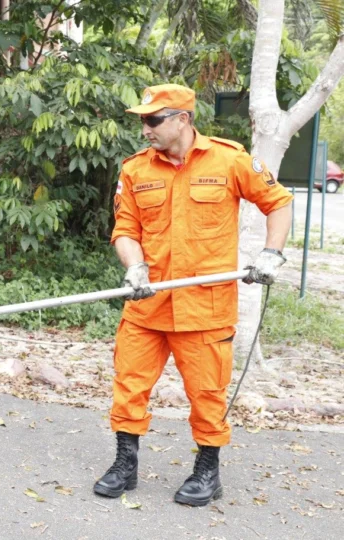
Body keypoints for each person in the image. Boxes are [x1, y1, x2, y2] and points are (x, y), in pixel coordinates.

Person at [96, 84, 293, 506]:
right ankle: (125, 464)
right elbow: (126, 229)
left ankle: (207, 472)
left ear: (182, 119)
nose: (145, 129)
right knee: (129, 386)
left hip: (204, 307)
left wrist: (271, 253)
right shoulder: (135, 170)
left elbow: (277, 202)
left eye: (153, 120)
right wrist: (134, 266)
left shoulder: (230, 160)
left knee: (207, 394)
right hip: (148, 303)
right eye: (142, 121)